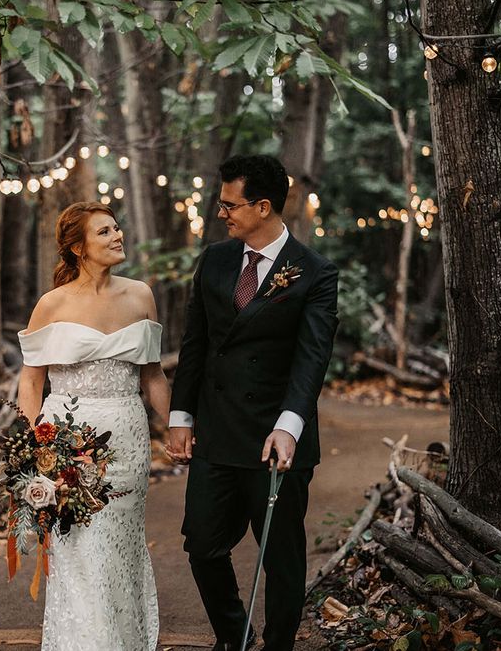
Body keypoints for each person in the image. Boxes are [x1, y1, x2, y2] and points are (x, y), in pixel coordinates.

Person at [167, 155, 339, 651]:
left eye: (230, 204)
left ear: (263, 207)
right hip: (218, 433)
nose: (221, 213)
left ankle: (279, 644)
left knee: (281, 557)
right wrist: (181, 416)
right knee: (201, 543)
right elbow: (195, 342)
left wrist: (288, 426)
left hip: (274, 439)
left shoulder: (315, 274)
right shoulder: (216, 260)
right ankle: (234, 635)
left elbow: (312, 359)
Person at [17, 202, 169, 651]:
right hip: (67, 443)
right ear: (78, 247)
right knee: (79, 553)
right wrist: (32, 448)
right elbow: (31, 379)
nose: (118, 236)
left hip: (127, 438)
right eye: (105, 232)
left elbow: (153, 375)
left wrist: (179, 426)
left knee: (121, 549)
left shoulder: (141, 295)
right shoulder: (52, 305)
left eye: (117, 228)